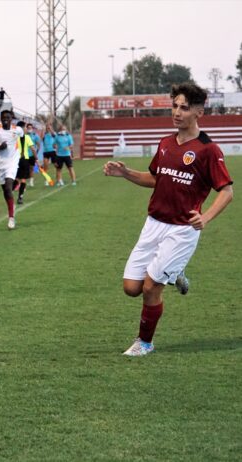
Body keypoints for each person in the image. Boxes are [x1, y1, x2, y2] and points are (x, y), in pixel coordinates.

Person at [103, 83, 233, 356]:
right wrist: (125, 173)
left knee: (151, 288)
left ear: (199, 111)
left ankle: (144, 343)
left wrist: (205, 217)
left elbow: (227, 191)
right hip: (153, 224)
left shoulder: (208, 150)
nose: (177, 112)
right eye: (174, 106)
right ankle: (175, 273)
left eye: (184, 108)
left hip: (182, 230)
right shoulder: (164, 144)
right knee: (131, 288)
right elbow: (155, 179)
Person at [0, 110, 22, 229]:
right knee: (6, 191)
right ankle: (11, 205)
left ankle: (11, 218)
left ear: (11, 118)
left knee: (7, 187)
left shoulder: (17, 130)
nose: (6, 119)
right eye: (3, 117)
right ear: (1, 119)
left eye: (8, 117)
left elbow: (23, 136)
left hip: (12, 162)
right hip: (1, 164)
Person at [15, 121, 37, 204]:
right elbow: (33, 149)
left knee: (16, 177)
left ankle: (14, 189)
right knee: (23, 179)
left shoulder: (14, 137)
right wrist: (36, 158)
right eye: (25, 127)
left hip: (15, 160)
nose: (26, 129)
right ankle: (20, 196)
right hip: (24, 159)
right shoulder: (27, 137)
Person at [26, 123, 41, 187]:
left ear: (32, 128)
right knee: (25, 169)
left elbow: (38, 144)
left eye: (31, 128)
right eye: (28, 128)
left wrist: (36, 152)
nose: (30, 129)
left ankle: (31, 181)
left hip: (32, 154)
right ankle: (24, 182)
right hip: (25, 155)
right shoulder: (24, 135)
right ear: (26, 128)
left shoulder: (35, 135)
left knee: (31, 168)